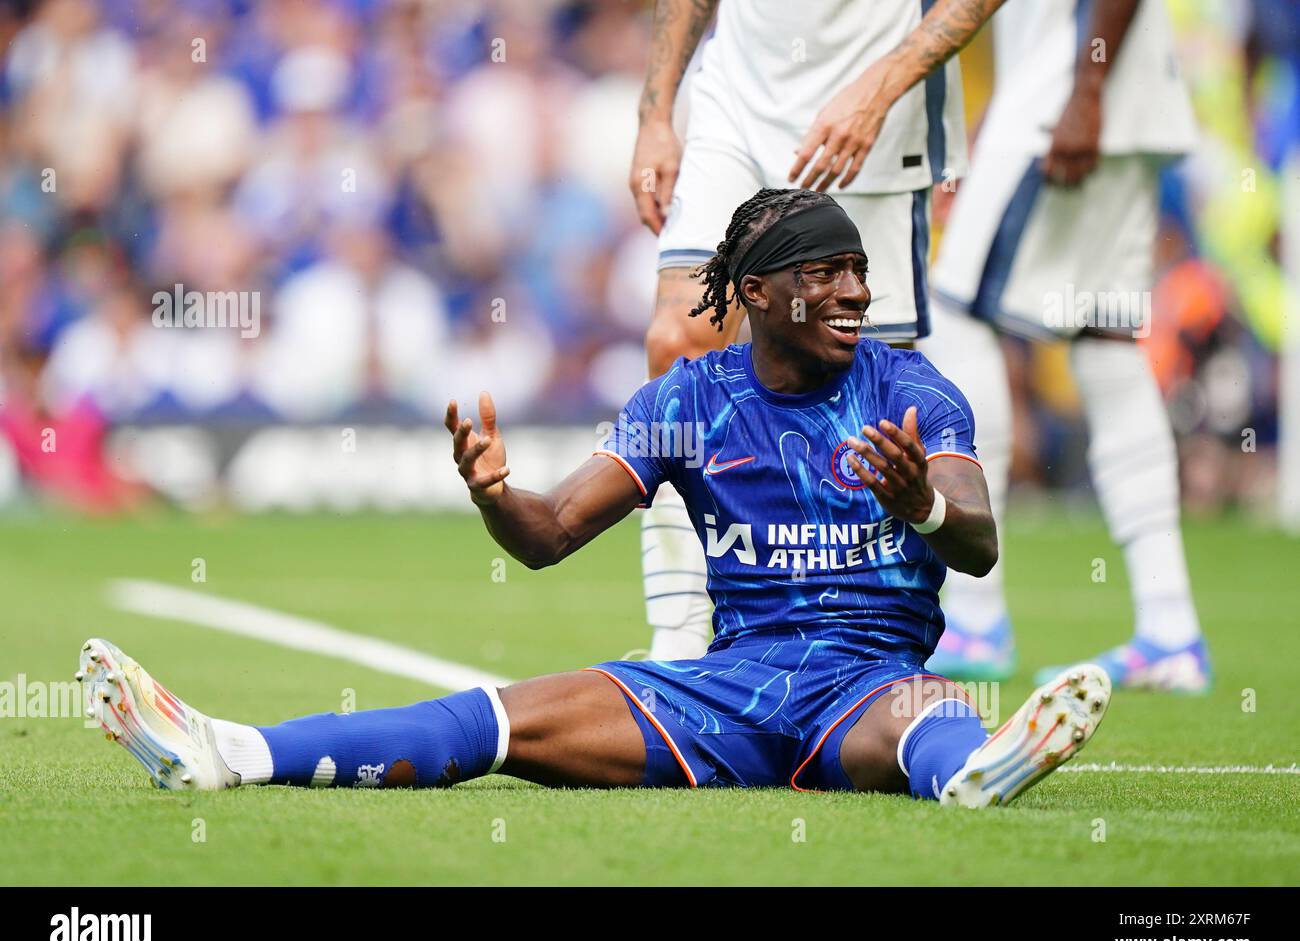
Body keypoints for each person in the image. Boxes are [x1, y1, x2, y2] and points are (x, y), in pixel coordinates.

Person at [78, 190, 1110, 806]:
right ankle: (228, 751)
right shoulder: (686, 400)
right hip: (729, 687)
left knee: (929, 715)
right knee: (500, 718)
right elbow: (550, 534)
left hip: (865, 680)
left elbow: (975, 539)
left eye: (858, 272)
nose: (853, 292)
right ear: (755, 293)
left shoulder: (910, 387)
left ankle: (979, 767)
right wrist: (493, 495)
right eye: (826, 273)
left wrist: (922, 505)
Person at [629, 0, 1010, 661]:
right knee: (678, 339)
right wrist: (656, 113)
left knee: (869, 389)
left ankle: (866, 635)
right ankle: (682, 641)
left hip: (876, 108)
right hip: (737, 95)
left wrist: (885, 82)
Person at [919, 0, 1210, 691]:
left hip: (1073, 96)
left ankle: (977, 614)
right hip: (1115, 97)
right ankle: (1169, 624)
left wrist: (1084, 91)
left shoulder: (1081, 86)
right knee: (1106, 340)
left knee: (955, 313)